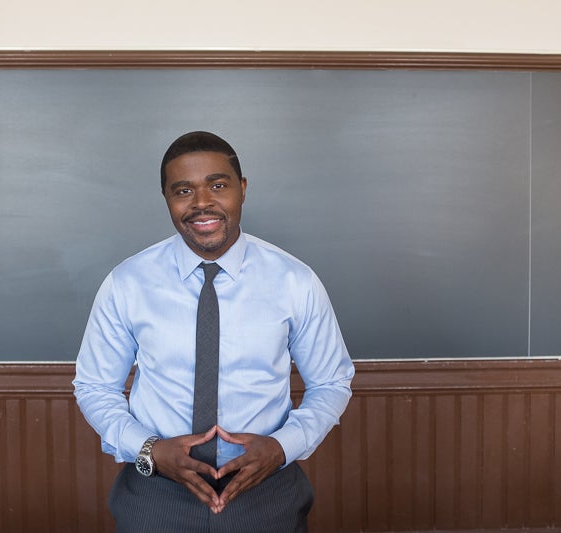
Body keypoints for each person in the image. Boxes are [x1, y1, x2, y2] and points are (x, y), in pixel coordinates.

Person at [73, 131, 354, 532]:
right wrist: (150, 450)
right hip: (155, 495)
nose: (201, 202)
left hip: (267, 493)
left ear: (242, 189)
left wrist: (281, 447)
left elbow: (331, 381)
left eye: (218, 185)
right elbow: (94, 386)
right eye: (183, 190)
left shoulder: (295, 281)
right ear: (167, 199)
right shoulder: (127, 283)